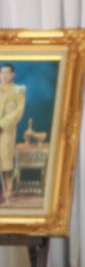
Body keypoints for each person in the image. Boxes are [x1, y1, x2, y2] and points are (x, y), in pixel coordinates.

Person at [0, 64, 26, 205]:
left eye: (7, 73)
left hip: (6, 130)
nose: (4, 76)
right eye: (1, 73)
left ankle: (7, 193)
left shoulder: (18, 90)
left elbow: (19, 111)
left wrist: (2, 124)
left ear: (13, 74)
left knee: (5, 160)